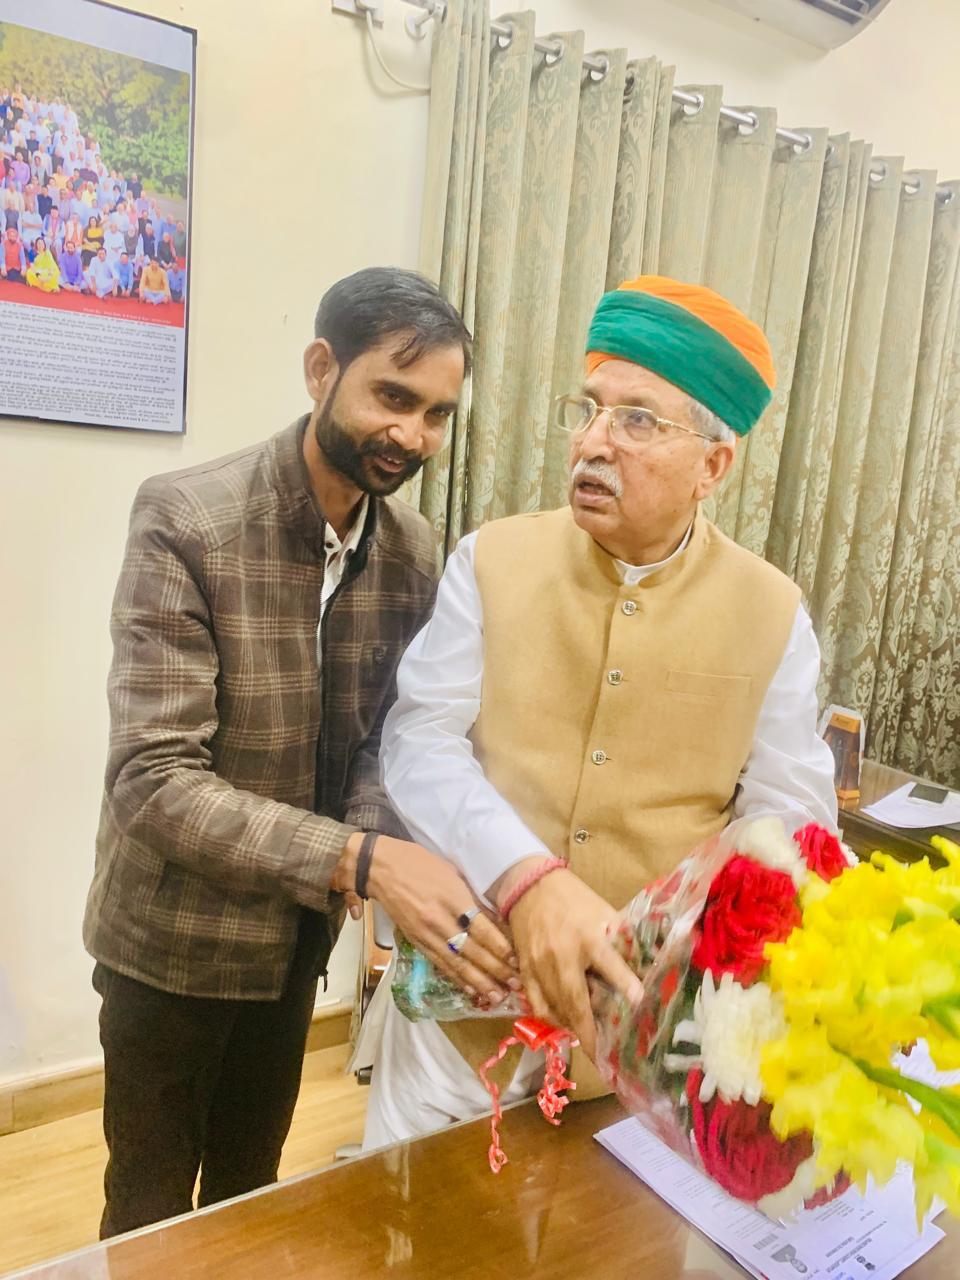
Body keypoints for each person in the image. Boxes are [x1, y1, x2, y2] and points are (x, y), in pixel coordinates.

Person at [83, 267, 516, 1238]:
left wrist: (364, 843)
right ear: (322, 368)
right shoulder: (188, 517)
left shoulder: (414, 550)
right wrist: (361, 859)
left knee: (251, 1200)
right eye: (392, 396)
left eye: (437, 414)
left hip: (291, 948)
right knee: (148, 1219)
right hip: (170, 948)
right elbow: (153, 779)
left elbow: (384, 734)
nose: (413, 435)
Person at [363, 274, 839, 1149]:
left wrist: (687, 959)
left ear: (713, 466)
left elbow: (790, 824)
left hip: (642, 1053)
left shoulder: (772, 612)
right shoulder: (492, 560)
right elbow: (419, 740)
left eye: (637, 421)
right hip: (457, 1032)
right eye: (588, 410)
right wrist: (525, 878)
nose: (590, 442)